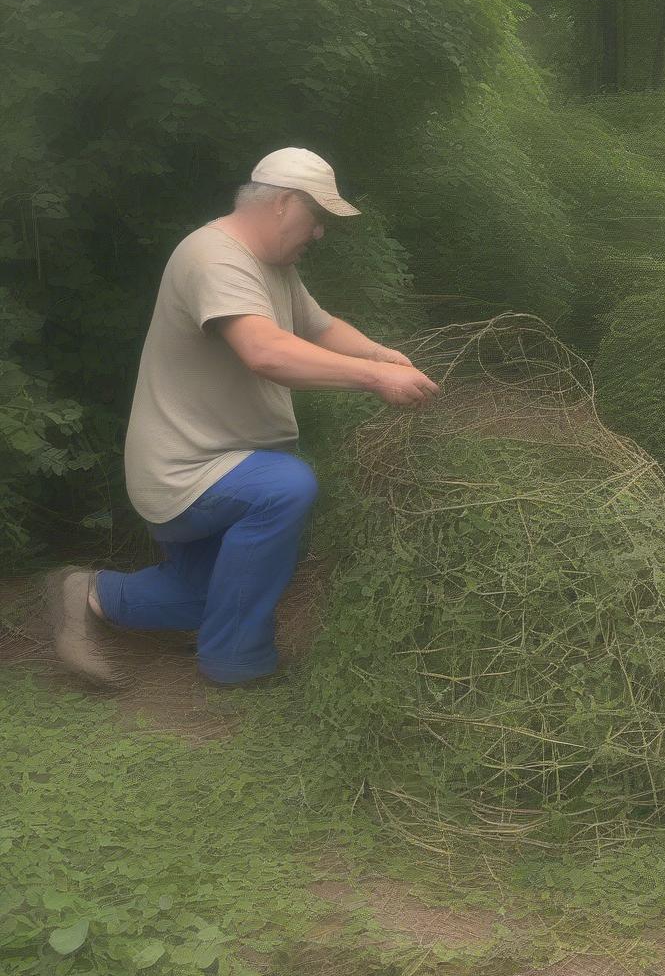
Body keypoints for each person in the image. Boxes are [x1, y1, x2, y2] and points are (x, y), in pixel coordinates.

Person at [43, 147, 440, 689]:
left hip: (223, 467)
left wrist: (381, 356)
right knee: (287, 487)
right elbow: (266, 352)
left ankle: (90, 594)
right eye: (316, 218)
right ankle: (235, 661)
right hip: (187, 472)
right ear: (282, 203)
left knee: (218, 592)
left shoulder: (272, 266)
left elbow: (319, 329)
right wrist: (376, 381)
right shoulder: (216, 259)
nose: (319, 234)